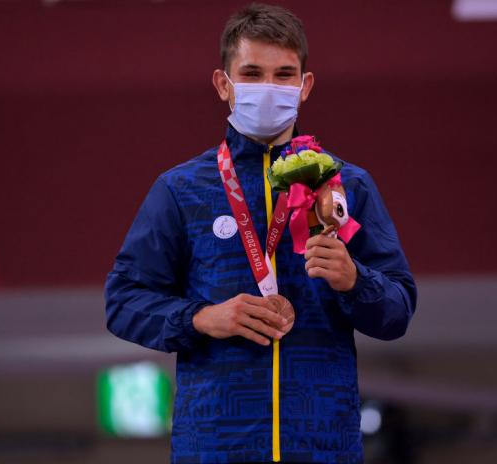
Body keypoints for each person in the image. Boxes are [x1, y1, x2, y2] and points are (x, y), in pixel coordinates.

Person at [105, 3, 417, 463]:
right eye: (251, 73)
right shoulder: (182, 189)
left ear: (304, 86)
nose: (268, 88)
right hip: (214, 447)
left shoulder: (347, 185)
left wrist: (355, 280)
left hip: (322, 447)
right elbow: (123, 301)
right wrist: (200, 318)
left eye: (284, 74)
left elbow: (398, 311)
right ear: (223, 84)